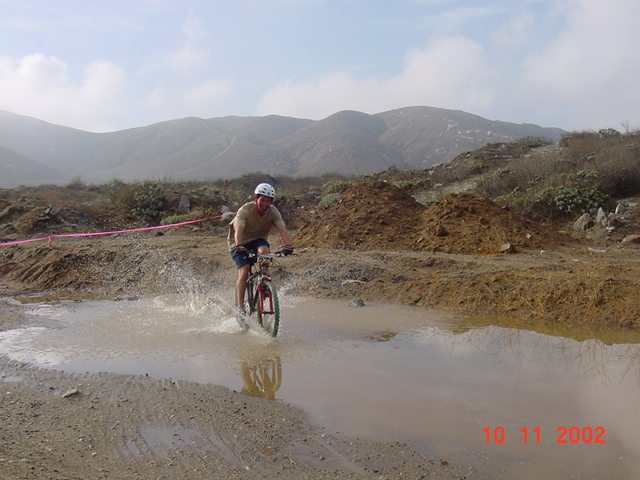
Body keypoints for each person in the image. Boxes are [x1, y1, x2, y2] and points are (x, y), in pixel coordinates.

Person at [228, 183, 293, 314]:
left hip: (258, 240)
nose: (265, 203)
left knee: (264, 251)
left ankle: (264, 279)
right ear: (256, 198)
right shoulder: (245, 210)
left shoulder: (273, 211)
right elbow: (238, 229)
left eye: (268, 201)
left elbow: (282, 228)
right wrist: (239, 246)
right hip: (239, 242)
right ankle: (240, 308)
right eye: (262, 200)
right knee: (245, 270)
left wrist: (288, 246)